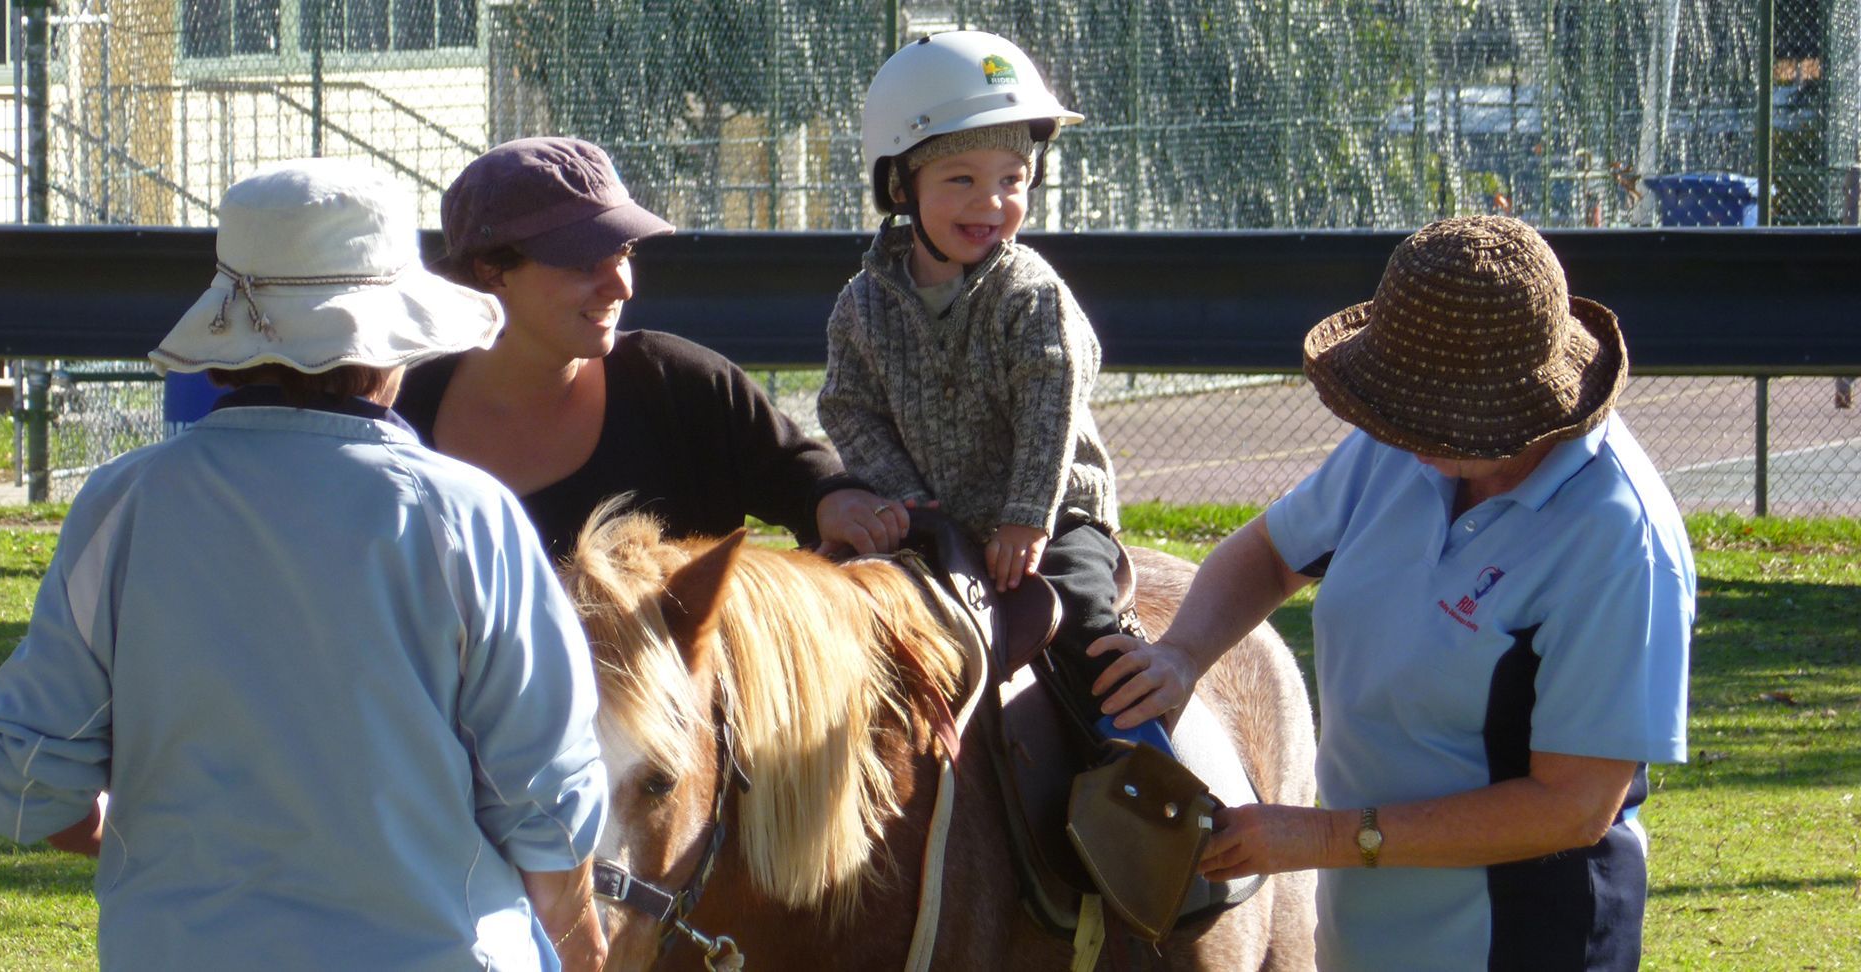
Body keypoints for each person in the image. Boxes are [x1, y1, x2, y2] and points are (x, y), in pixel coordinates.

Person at [0, 159, 611, 972]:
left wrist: (165, 856)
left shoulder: (122, 506)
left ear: (223, 345)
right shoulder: (466, 517)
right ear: (392, 347)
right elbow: (548, 809)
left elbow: (32, 780)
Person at [1090, 215, 1695, 971]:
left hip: (1523, 946)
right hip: (1365, 935)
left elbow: (1572, 806)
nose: (1390, 429)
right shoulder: (1410, 444)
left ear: (1505, 413)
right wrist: (1182, 654)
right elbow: (1271, 554)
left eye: (1418, 413)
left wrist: (1325, 839)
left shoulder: (1617, 540)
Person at [819, 30, 1159, 747]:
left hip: (1051, 519)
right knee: (822, 615)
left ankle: (1148, 774)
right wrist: (904, 499)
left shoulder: (1029, 293)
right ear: (901, 185)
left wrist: (1027, 517)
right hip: (929, 520)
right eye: (961, 179)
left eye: (1013, 177)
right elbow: (848, 408)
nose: (992, 201)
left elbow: (1051, 400)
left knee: (1086, 628)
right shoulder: (863, 304)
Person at [394, 136, 903, 562]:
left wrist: (835, 501)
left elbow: (801, 474)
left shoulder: (680, 388)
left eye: (624, 252)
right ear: (491, 271)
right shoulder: (398, 416)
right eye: (583, 261)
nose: (621, 286)